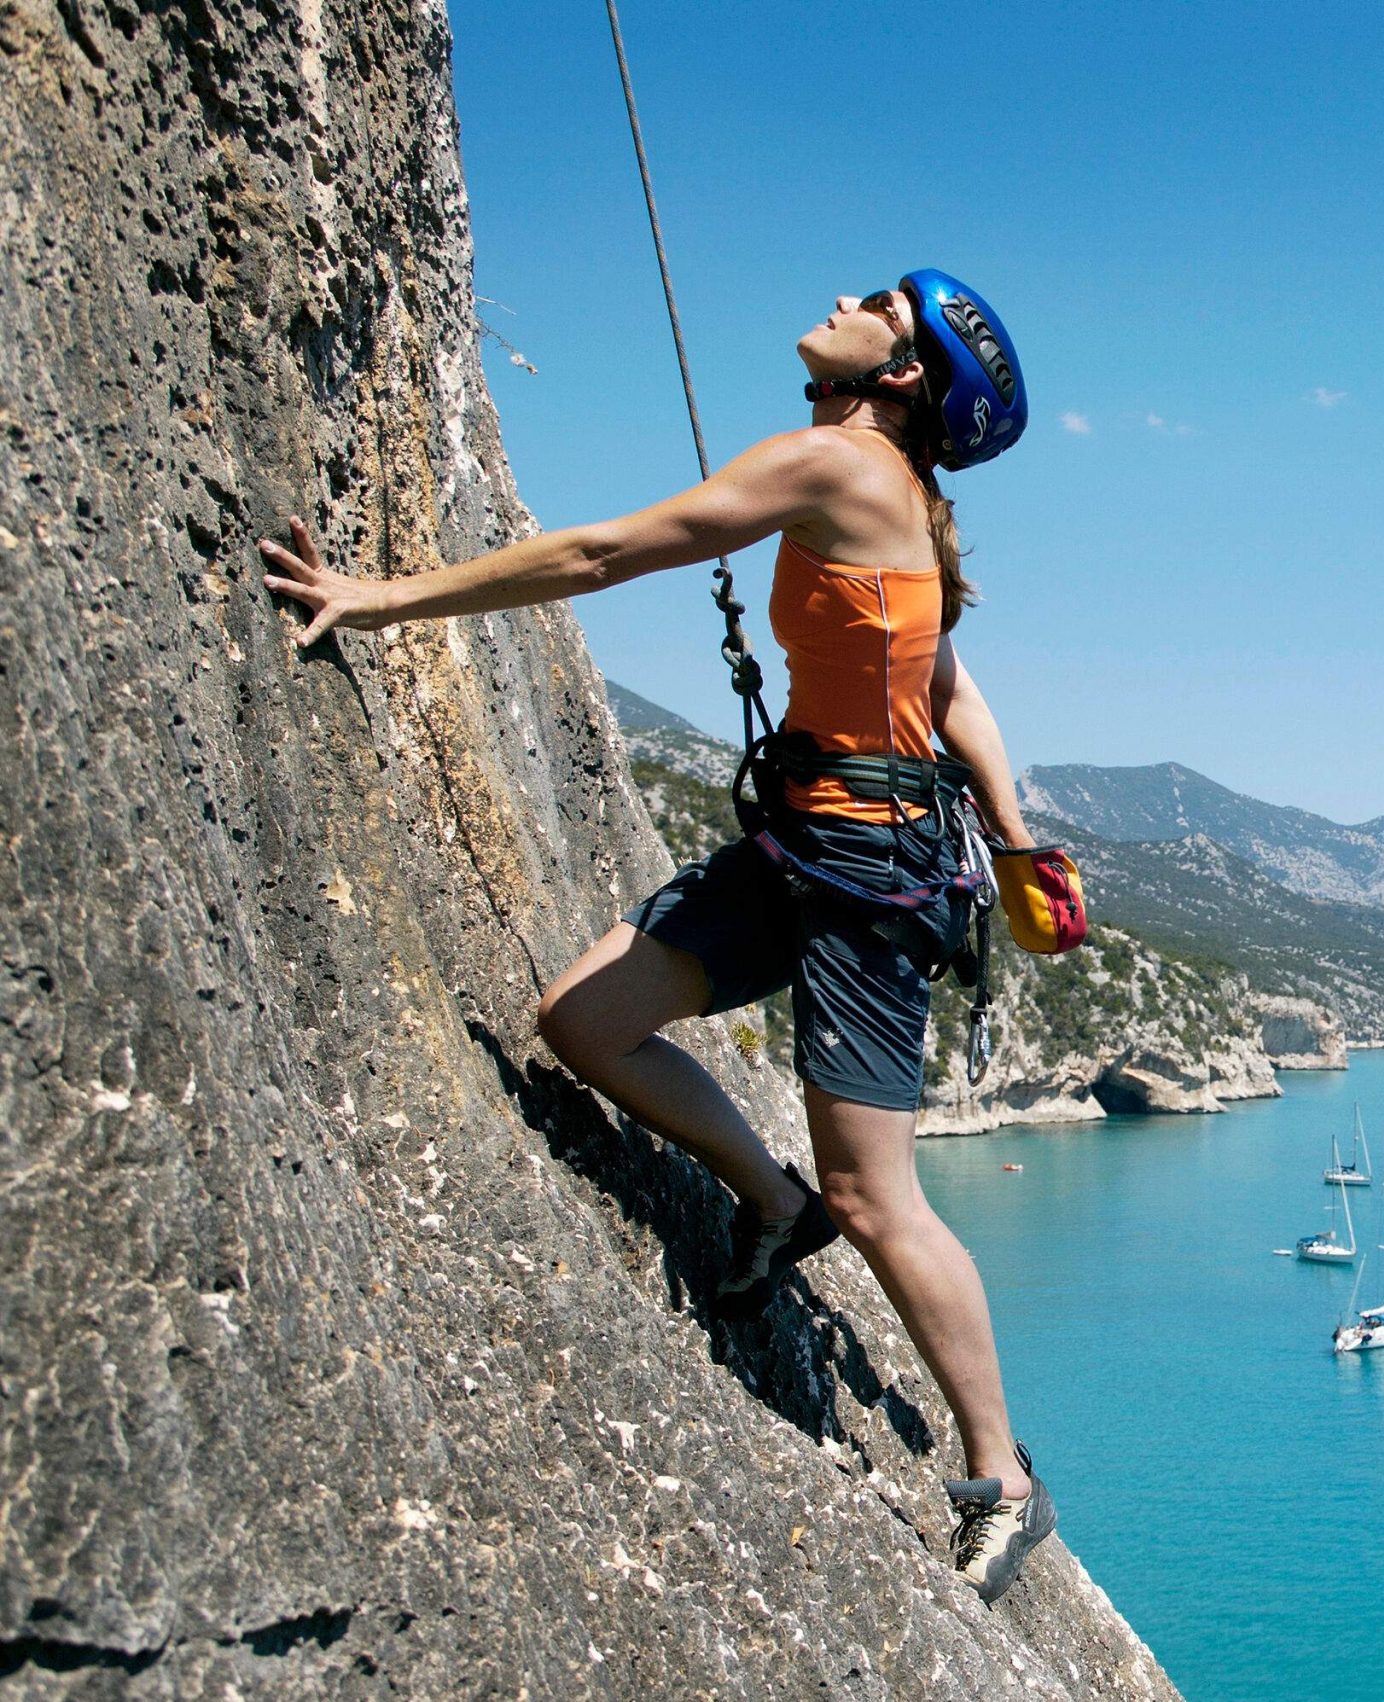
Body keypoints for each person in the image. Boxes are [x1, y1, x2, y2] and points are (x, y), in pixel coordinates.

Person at [261, 272, 1056, 1604]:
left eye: (880, 302)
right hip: (808, 842)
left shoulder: (841, 468)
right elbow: (949, 683)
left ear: (904, 374)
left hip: (865, 877)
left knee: (881, 1196)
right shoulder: (896, 495)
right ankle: (769, 1198)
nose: (845, 295)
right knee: (583, 1022)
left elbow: (605, 555)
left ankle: (1003, 1479)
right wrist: (1019, 831)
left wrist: (386, 598)